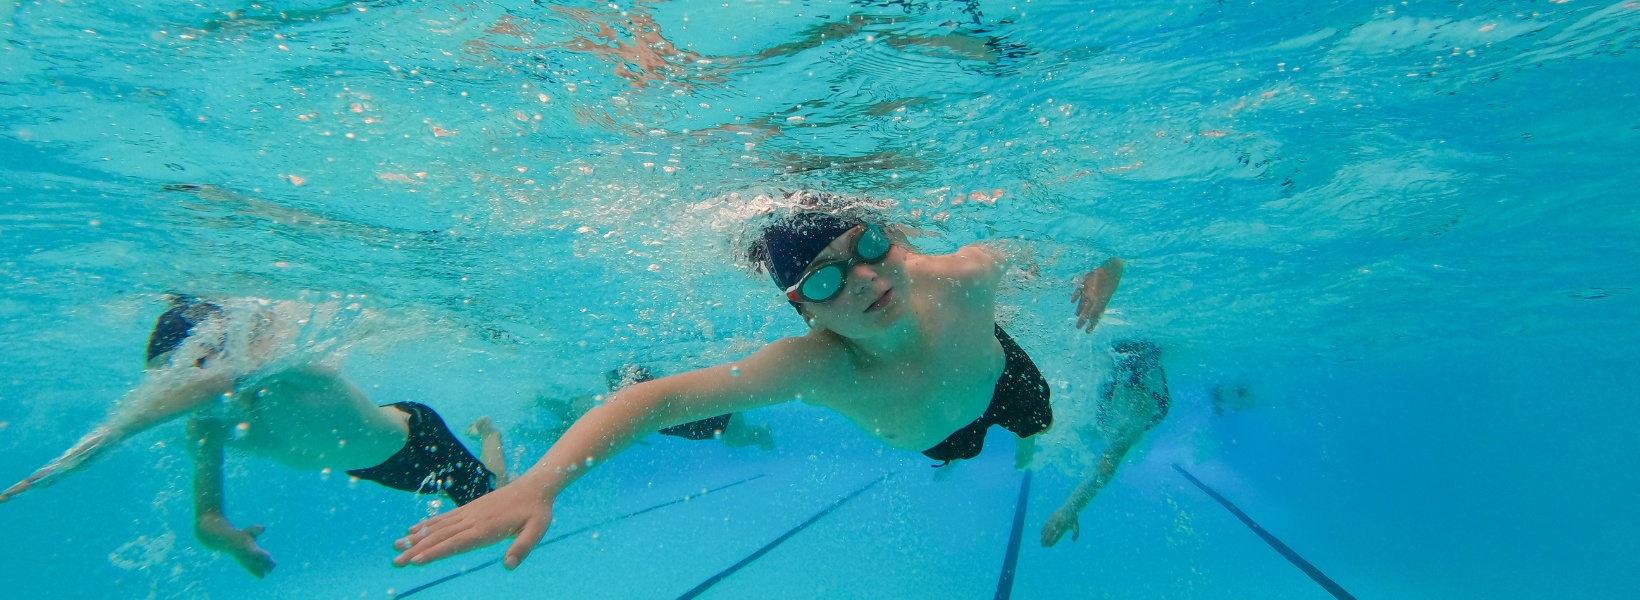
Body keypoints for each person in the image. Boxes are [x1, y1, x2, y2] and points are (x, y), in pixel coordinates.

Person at [392, 198, 1126, 570]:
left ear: (892, 235)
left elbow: (1044, 252)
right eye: (829, 277)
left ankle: (1031, 448)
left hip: (1004, 377)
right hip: (942, 433)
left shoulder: (960, 277)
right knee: (961, 452)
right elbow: (657, 399)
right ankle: (1003, 449)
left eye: (869, 245)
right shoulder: (815, 364)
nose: (866, 275)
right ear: (802, 308)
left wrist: (1102, 275)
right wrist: (539, 484)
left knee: (1039, 425)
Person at [0, 295, 510, 578]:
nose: (177, 392)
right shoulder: (210, 427)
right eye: (163, 381)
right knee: (460, 497)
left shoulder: (292, 370)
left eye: (178, 376)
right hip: (370, 465)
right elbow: (206, 519)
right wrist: (230, 542)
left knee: (494, 497)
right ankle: (485, 441)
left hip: (412, 436)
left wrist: (105, 439)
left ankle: (490, 431)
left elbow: (220, 379)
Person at [1039, 340, 1171, 547]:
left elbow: (1105, 470)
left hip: (1133, 392)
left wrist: (1070, 509)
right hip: (1132, 383)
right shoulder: (1128, 415)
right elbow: (1106, 469)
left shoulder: (1131, 415)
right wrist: (1069, 510)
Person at [523, 365, 774, 451]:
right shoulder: (636, 402)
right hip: (705, 417)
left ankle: (762, 432)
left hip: (712, 418)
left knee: (734, 439)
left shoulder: (642, 401)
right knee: (734, 438)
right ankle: (540, 404)